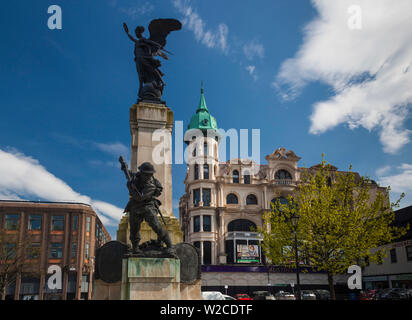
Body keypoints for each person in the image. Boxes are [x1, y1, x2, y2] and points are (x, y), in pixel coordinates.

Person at [124, 162, 173, 254]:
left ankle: (170, 246)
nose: (148, 176)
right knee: (134, 229)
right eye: (146, 174)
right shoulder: (136, 177)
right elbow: (130, 175)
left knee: (157, 226)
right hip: (135, 206)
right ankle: (135, 248)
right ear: (141, 173)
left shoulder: (151, 185)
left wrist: (130, 187)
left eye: (150, 174)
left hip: (147, 206)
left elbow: (140, 197)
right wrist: (125, 168)